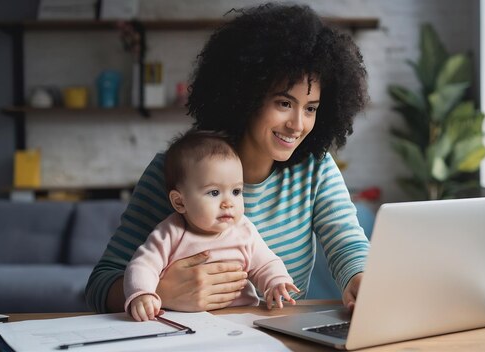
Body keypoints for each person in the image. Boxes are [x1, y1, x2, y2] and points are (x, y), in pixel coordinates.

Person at [86, 2, 370, 314]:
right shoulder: (178, 171)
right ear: (246, 95)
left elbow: (347, 244)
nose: (298, 124)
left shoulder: (315, 169)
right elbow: (100, 284)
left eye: (311, 108)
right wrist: (159, 292)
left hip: (279, 339)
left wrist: (361, 281)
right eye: (283, 103)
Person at [125, 131, 299, 321]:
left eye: (236, 191)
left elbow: (266, 264)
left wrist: (276, 282)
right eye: (214, 192)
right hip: (184, 320)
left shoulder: (243, 230)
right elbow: (143, 266)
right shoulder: (170, 233)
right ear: (180, 202)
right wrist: (143, 294)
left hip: (242, 318)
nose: (228, 203)